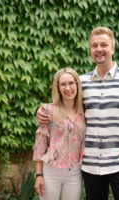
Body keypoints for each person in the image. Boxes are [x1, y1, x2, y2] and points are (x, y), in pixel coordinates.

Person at [36, 27, 119, 200]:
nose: (99, 49)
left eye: (104, 44)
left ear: (112, 48)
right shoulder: (81, 83)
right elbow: (63, 106)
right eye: (94, 45)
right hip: (90, 167)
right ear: (90, 50)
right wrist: (41, 110)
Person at [33, 67, 85, 200]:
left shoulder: (84, 111)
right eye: (63, 84)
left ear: (77, 84)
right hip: (51, 172)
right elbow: (40, 145)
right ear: (58, 88)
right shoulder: (48, 111)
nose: (68, 88)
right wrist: (39, 175)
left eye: (71, 83)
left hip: (74, 172)